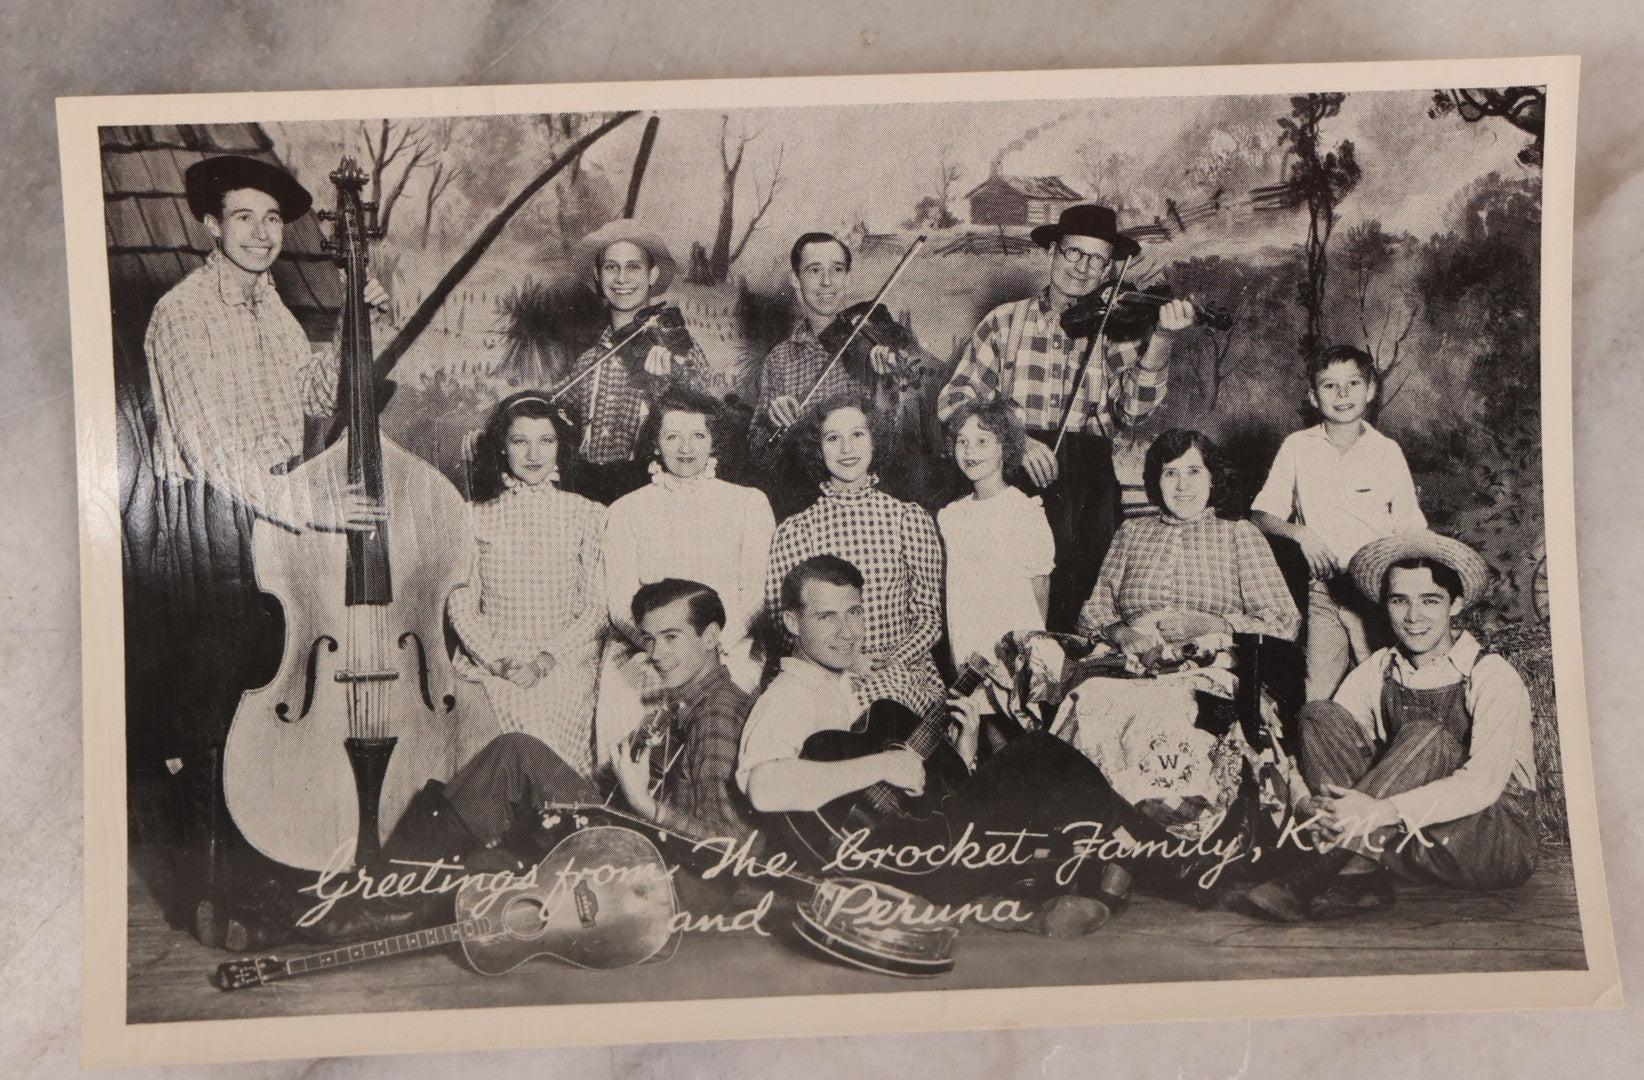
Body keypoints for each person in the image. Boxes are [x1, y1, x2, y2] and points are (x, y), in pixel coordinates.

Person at [140, 155, 390, 943]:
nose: (260, 232)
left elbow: (320, 399)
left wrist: (358, 322)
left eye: (273, 220)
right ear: (210, 226)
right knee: (221, 714)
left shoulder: (274, 308)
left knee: (274, 709)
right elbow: (210, 448)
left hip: (275, 520)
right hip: (214, 525)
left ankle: (272, 879)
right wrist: (307, 506)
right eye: (242, 217)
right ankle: (216, 897)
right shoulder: (184, 312)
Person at [312, 579, 758, 941]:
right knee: (489, 859)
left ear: (712, 635)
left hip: (673, 883)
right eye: (650, 638)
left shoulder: (717, 715)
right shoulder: (686, 700)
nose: (657, 653)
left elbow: (732, 849)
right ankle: (374, 906)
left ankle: (377, 907)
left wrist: (645, 805)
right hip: (641, 848)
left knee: (515, 755)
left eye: (673, 637)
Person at [738, 556, 1128, 932]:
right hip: (892, 866)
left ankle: (1060, 886)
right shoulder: (786, 698)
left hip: (908, 848)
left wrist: (963, 750)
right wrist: (885, 765)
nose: (847, 631)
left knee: (1038, 790)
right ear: (792, 621)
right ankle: (1122, 869)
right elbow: (763, 787)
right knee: (1037, 754)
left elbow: (898, 797)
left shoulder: (832, 686)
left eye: (855, 612)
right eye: (827, 617)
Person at [1040, 430, 1300, 900]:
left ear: (1213, 477)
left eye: (1194, 471)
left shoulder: (1239, 535)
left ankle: (1163, 849)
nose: (1182, 485)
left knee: (1164, 709)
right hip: (1131, 665)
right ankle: (1103, 839)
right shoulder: (1132, 533)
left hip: (1209, 669)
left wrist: (1212, 620)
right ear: (1155, 481)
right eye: (1170, 473)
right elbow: (1093, 610)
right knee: (1092, 697)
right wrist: (1122, 633)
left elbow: (1283, 620)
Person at [1234, 532, 1539, 923]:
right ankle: (1356, 875)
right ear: (1385, 605)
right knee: (1318, 716)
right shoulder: (1381, 667)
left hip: (1487, 842)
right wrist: (1304, 800)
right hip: (1406, 840)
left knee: (1425, 734)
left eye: (1430, 600)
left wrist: (1380, 810)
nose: (1413, 617)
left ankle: (1317, 873)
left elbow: (1482, 785)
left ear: (1456, 605)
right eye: (1400, 600)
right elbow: (1327, 740)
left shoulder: (1491, 674)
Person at [938, 203, 1193, 632]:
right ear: (1053, 251)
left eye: (1097, 259)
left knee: (1083, 598)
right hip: (1013, 469)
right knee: (1009, 597)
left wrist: (1162, 340)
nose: (1083, 268)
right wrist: (1015, 438)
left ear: (1109, 269)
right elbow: (956, 400)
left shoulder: (1116, 328)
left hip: (1089, 477)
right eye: (1074, 252)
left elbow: (1132, 412)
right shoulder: (1004, 322)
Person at [596, 387, 774, 765]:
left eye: (698, 435)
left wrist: (712, 644)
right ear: (656, 444)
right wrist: (660, 646)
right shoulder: (626, 511)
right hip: (648, 649)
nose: (685, 447)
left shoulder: (747, 504)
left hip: (726, 647)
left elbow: (756, 591)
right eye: (672, 436)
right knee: (626, 706)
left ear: (714, 441)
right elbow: (617, 601)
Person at [1250, 345, 1427, 702]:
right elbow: (1260, 516)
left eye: (1353, 384)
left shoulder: (1387, 451)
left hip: (1376, 592)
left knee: (1382, 687)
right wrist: (1300, 533)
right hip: (1324, 589)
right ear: (1313, 396)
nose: (1343, 395)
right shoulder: (1297, 447)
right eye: (1329, 386)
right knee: (1319, 695)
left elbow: (1412, 529)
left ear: (1371, 390)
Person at [447, 393, 605, 778]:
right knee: (501, 711)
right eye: (521, 441)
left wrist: (546, 659)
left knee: (547, 714)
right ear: (502, 448)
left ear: (560, 447)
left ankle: (558, 822)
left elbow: (596, 607)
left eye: (546, 441)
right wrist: (499, 662)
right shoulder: (474, 516)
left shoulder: (587, 513)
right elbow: (461, 604)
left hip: (564, 659)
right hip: (496, 660)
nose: (534, 454)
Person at [764, 394, 945, 720]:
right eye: (833, 438)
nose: (847, 449)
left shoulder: (907, 518)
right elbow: (783, 623)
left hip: (899, 670)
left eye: (858, 435)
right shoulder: (794, 531)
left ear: (874, 442)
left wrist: (885, 662)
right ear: (818, 449)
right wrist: (842, 660)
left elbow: (930, 619)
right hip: (823, 668)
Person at [748, 232, 915, 511]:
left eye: (837, 270)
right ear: (795, 279)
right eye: (815, 270)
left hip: (872, 499)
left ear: (847, 277)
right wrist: (772, 420)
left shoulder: (872, 342)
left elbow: (899, 441)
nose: (827, 282)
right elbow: (760, 454)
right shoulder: (779, 360)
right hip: (805, 501)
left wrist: (889, 383)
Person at [552, 219, 709, 505]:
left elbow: (701, 419)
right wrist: (506, 422)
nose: (622, 278)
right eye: (612, 267)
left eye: (634, 266)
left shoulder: (677, 347)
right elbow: (551, 406)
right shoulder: (589, 359)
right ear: (598, 276)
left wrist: (663, 388)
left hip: (648, 490)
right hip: (589, 489)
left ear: (652, 274)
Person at [936, 398, 1056, 673]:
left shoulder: (1024, 510)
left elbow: (1040, 587)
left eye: (982, 441)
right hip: (967, 643)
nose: (969, 451)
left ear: (1005, 448)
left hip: (1013, 652)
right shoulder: (951, 516)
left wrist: (1031, 657)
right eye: (962, 441)